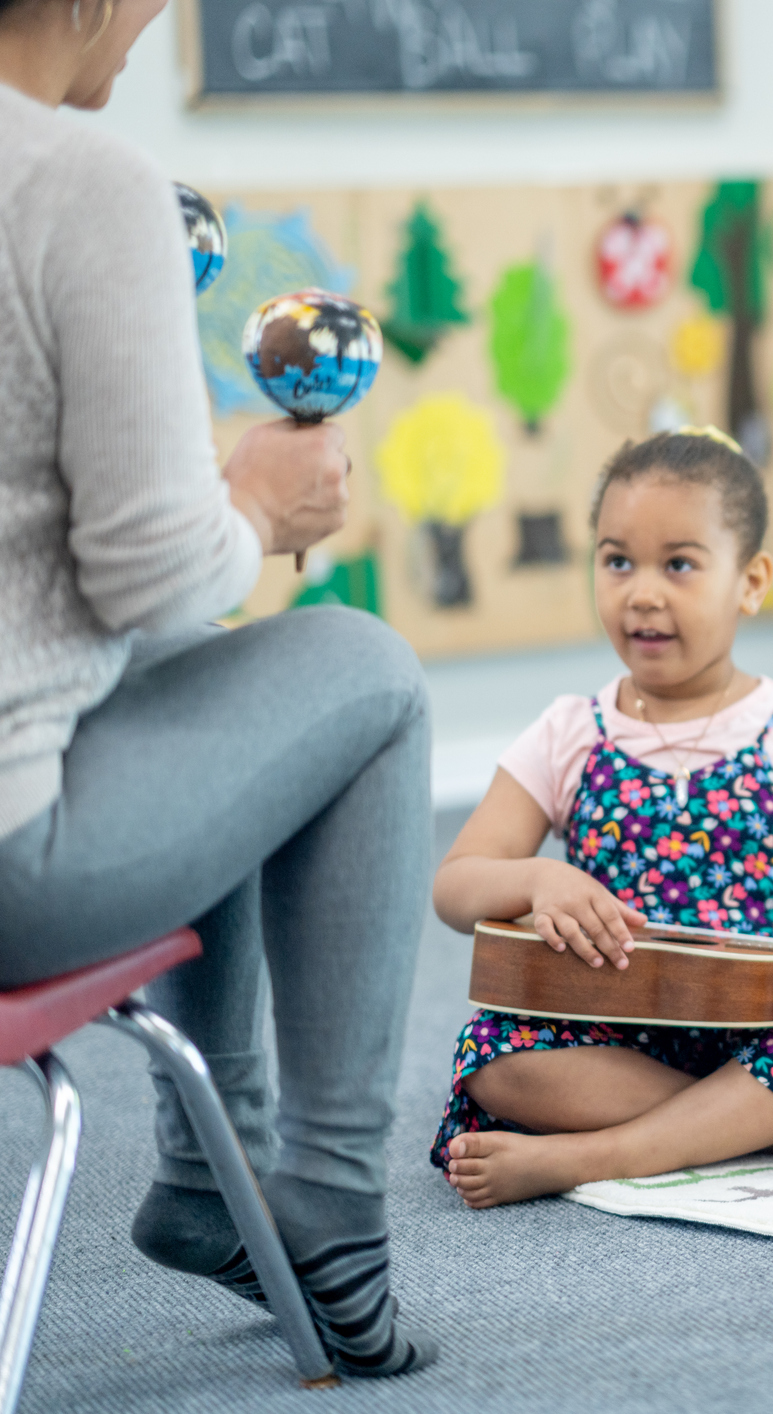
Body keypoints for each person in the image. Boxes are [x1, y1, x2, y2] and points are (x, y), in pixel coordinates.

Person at [0, 0, 431, 1378]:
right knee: (365, 671)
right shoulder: (77, 177)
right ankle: (335, 1206)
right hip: (18, 860)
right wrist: (252, 501)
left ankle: (212, 1167)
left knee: (218, 680)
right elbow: (152, 574)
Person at [432, 428, 773, 1206]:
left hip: (769, 1024)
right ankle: (769, 1120)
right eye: (617, 560)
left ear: (750, 582)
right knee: (493, 1053)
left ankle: (598, 1153)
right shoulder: (566, 732)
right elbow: (455, 888)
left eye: (678, 564)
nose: (642, 591)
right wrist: (538, 878)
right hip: (615, 1025)